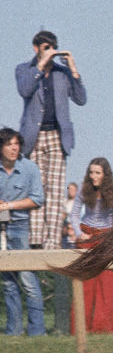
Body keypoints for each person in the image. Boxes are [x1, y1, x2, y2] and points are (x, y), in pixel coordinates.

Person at [16, 30, 87, 250]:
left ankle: (52, 241)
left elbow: (81, 99)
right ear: (36, 48)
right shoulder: (24, 69)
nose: (49, 51)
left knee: (56, 191)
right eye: (45, 47)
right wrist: (40, 65)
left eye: (52, 47)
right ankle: (36, 239)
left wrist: (73, 69)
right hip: (33, 138)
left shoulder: (62, 72)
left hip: (58, 136)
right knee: (38, 189)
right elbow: (24, 89)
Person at [69, 158, 113, 334]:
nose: (93, 176)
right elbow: (74, 214)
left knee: (107, 281)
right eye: (91, 172)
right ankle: (80, 327)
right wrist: (79, 233)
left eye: (97, 173)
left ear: (105, 174)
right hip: (87, 234)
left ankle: (103, 328)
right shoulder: (83, 188)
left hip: (107, 236)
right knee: (85, 281)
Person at [0, 127, 45, 335]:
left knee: (28, 278)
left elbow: (37, 199)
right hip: (0, 228)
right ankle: (14, 330)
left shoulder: (30, 168)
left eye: (16, 144)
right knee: (8, 282)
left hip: (19, 226)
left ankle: (37, 330)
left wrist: (9, 205)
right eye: (9, 144)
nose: (14, 148)